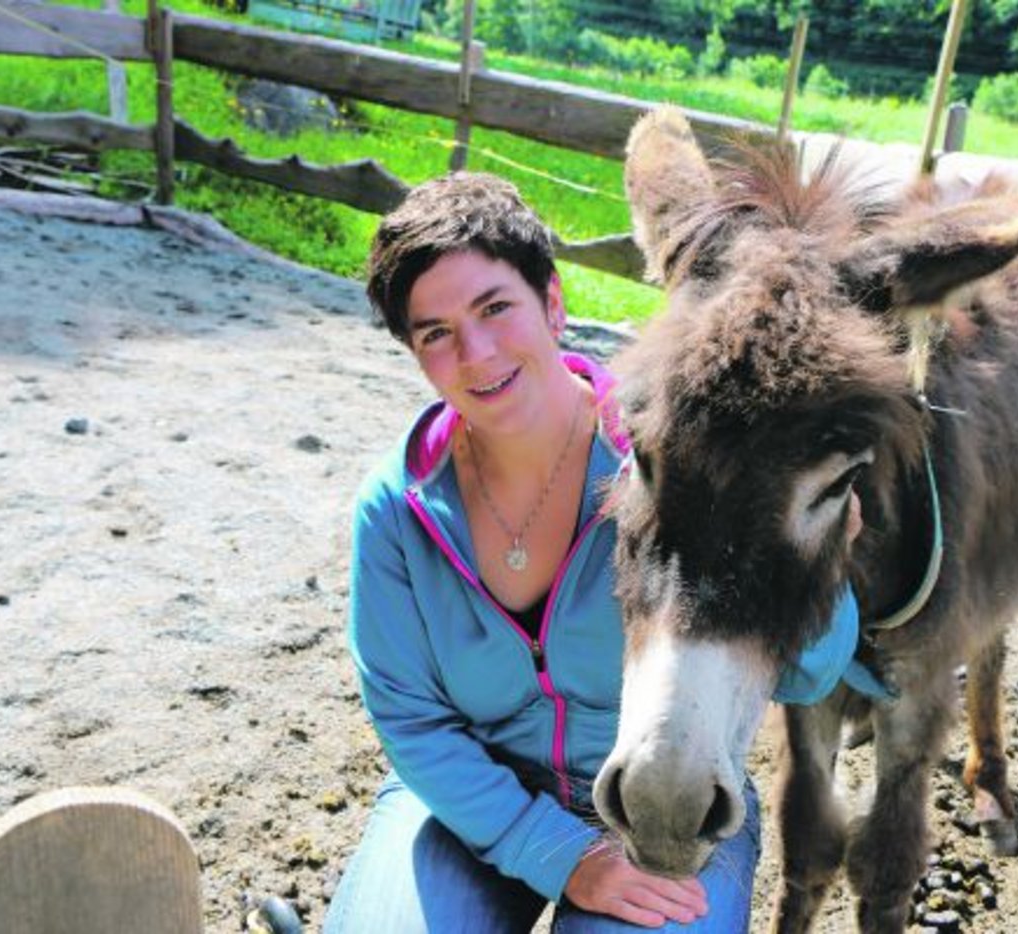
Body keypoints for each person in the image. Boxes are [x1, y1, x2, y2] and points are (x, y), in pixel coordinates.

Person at [321, 173, 762, 933]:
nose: (477, 351)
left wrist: (823, 557)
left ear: (553, 303)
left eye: (496, 308)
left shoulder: (678, 469)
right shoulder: (395, 510)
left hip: (664, 799)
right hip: (470, 800)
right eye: (436, 332)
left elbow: (811, 668)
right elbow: (413, 721)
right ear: (415, 353)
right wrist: (560, 856)